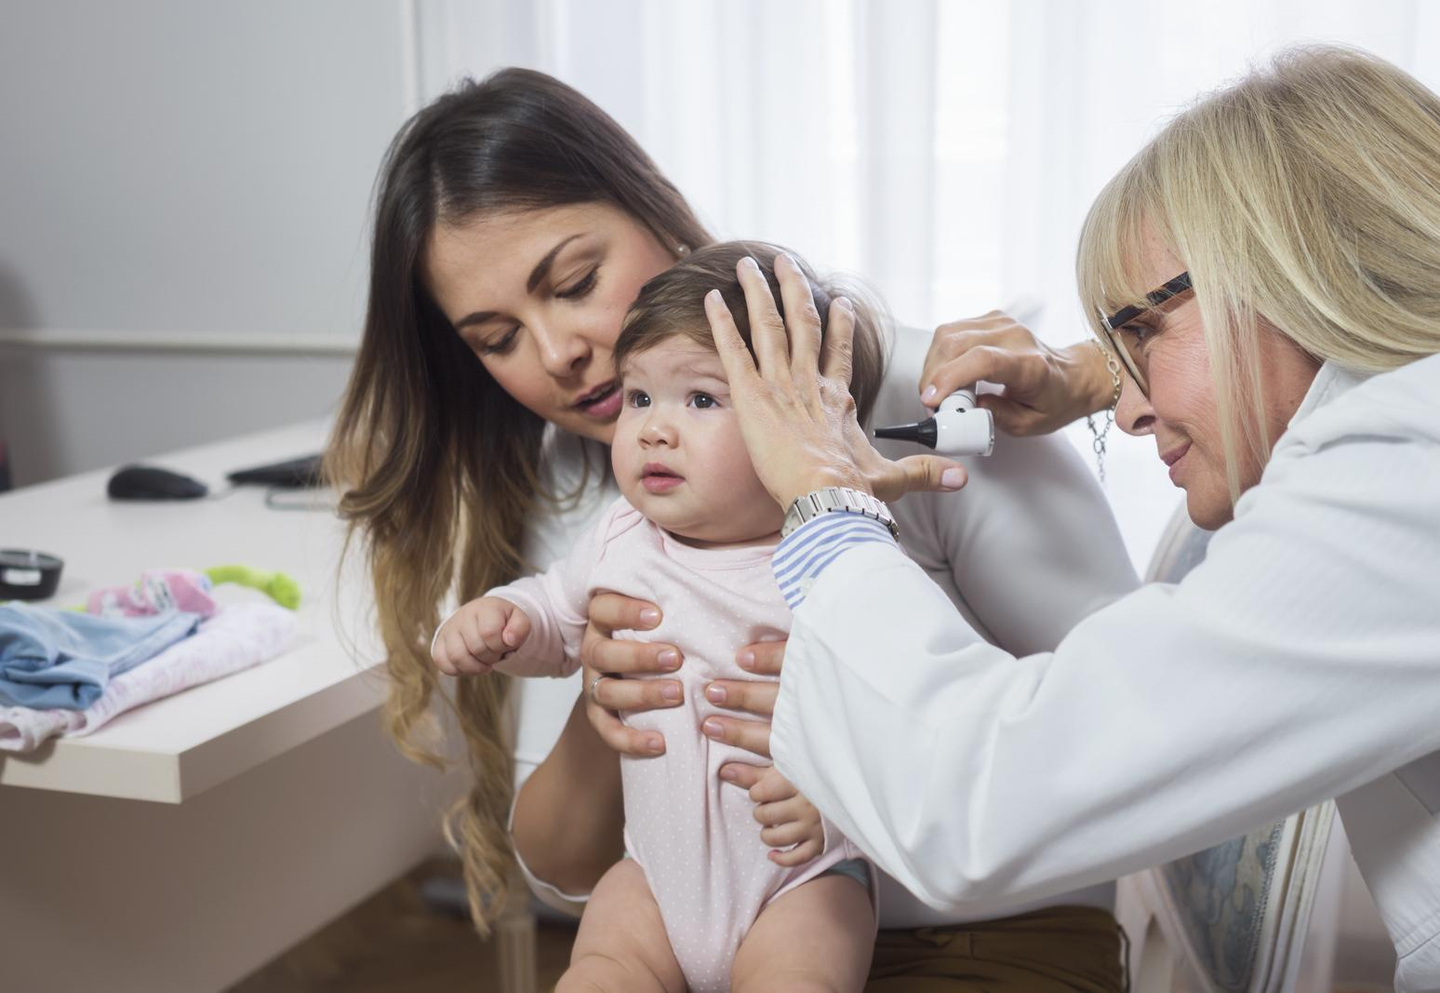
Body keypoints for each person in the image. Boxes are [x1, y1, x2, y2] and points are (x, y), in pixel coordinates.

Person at [326, 67, 1139, 990]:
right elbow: (560, 867)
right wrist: (609, 703)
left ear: (656, 210)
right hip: (692, 942)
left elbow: (1128, 736)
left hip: (986, 937)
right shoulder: (591, 490)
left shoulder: (927, 404)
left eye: (576, 281)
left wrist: (872, 731)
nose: (556, 355)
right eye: (496, 338)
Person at [694, 46, 1440, 992]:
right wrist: (1095, 367)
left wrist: (825, 499)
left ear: (1295, 272)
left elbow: (978, 802)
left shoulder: (1403, 477)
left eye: (1139, 332)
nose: (1124, 413)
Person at [434, 243, 882, 993]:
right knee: (600, 969)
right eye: (639, 397)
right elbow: (555, 613)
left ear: (811, 427)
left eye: (701, 400)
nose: (652, 429)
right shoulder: (621, 537)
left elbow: (903, 727)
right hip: (652, 876)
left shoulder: (835, 552)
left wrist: (835, 807)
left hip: (805, 878)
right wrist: (504, 618)